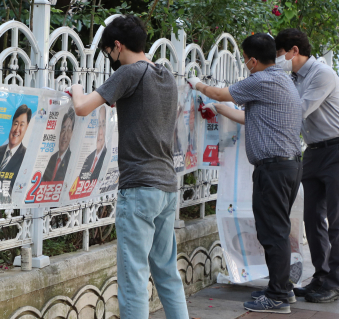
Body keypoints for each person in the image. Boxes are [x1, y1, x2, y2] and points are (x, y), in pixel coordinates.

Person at [69, 15, 189, 319]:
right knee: (166, 272)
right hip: (166, 187)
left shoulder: (128, 73)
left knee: (133, 278)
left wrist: (76, 90)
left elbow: (83, 107)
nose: (110, 57)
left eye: (109, 52)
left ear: (118, 46)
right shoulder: (165, 76)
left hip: (138, 190)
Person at [188, 33, 303, 313]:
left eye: (244, 59)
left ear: (252, 61)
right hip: (288, 165)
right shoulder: (282, 80)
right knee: (277, 229)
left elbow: (218, 92)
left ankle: (276, 296)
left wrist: (196, 84)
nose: (243, 63)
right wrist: (219, 109)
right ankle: (282, 289)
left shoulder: (260, 80)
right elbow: (248, 117)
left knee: (272, 231)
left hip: (273, 169)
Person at [274, 29, 339, 303]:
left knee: (338, 222)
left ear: (293, 51)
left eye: (280, 54)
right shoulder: (293, 77)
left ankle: (334, 283)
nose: (279, 60)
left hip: (338, 151)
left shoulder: (322, 73)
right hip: (313, 152)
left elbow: (298, 110)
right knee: (312, 218)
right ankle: (320, 278)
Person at [0, 105, 32, 190]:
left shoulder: (27, 158)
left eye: (21, 125)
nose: (17, 129)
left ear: (27, 127)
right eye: (15, 123)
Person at [43, 106, 75, 182]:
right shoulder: (52, 158)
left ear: (72, 134)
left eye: (68, 130)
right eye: (63, 129)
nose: (65, 136)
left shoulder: (71, 159)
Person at [79, 104, 107, 181]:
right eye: (97, 126)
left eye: (103, 125)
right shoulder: (87, 157)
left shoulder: (108, 155)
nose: (100, 132)